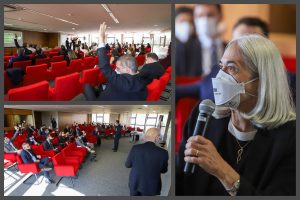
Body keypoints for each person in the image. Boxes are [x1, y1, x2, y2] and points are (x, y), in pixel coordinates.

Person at [176, 34, 296, 195]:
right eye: (221, 67)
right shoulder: (204, 114)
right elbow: (182, 181)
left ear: (261, 81)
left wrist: (223, 171)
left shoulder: (291, 138)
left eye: (232, 68)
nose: (220, 77)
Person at [176, 17, 270, 102]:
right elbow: (195, 88)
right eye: (237, 41)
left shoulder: (276, 77)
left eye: (251, 42)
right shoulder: (218, 69)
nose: (242, 48)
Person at [83, 22, 147, 101]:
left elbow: (105, 67)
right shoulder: (141, 81)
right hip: (115, 93)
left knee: (86, 86)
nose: (116, 70)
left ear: (128, 69)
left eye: (118, 68)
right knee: (98, 87)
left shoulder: (122, 82)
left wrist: (101, 39)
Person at [176, 4, 225, 77]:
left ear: (220, 17)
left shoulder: (232, 49)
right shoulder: (181, 50)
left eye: (210, 15)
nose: (205, 20)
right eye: (200, 16)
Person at [125, 128, 169, 196]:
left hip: (135, 182)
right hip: (151, 187)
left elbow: (127, 165)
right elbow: (164, 170)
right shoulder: (163, 153)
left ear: (145, 136)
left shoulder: (135, 148)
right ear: (157, 137)